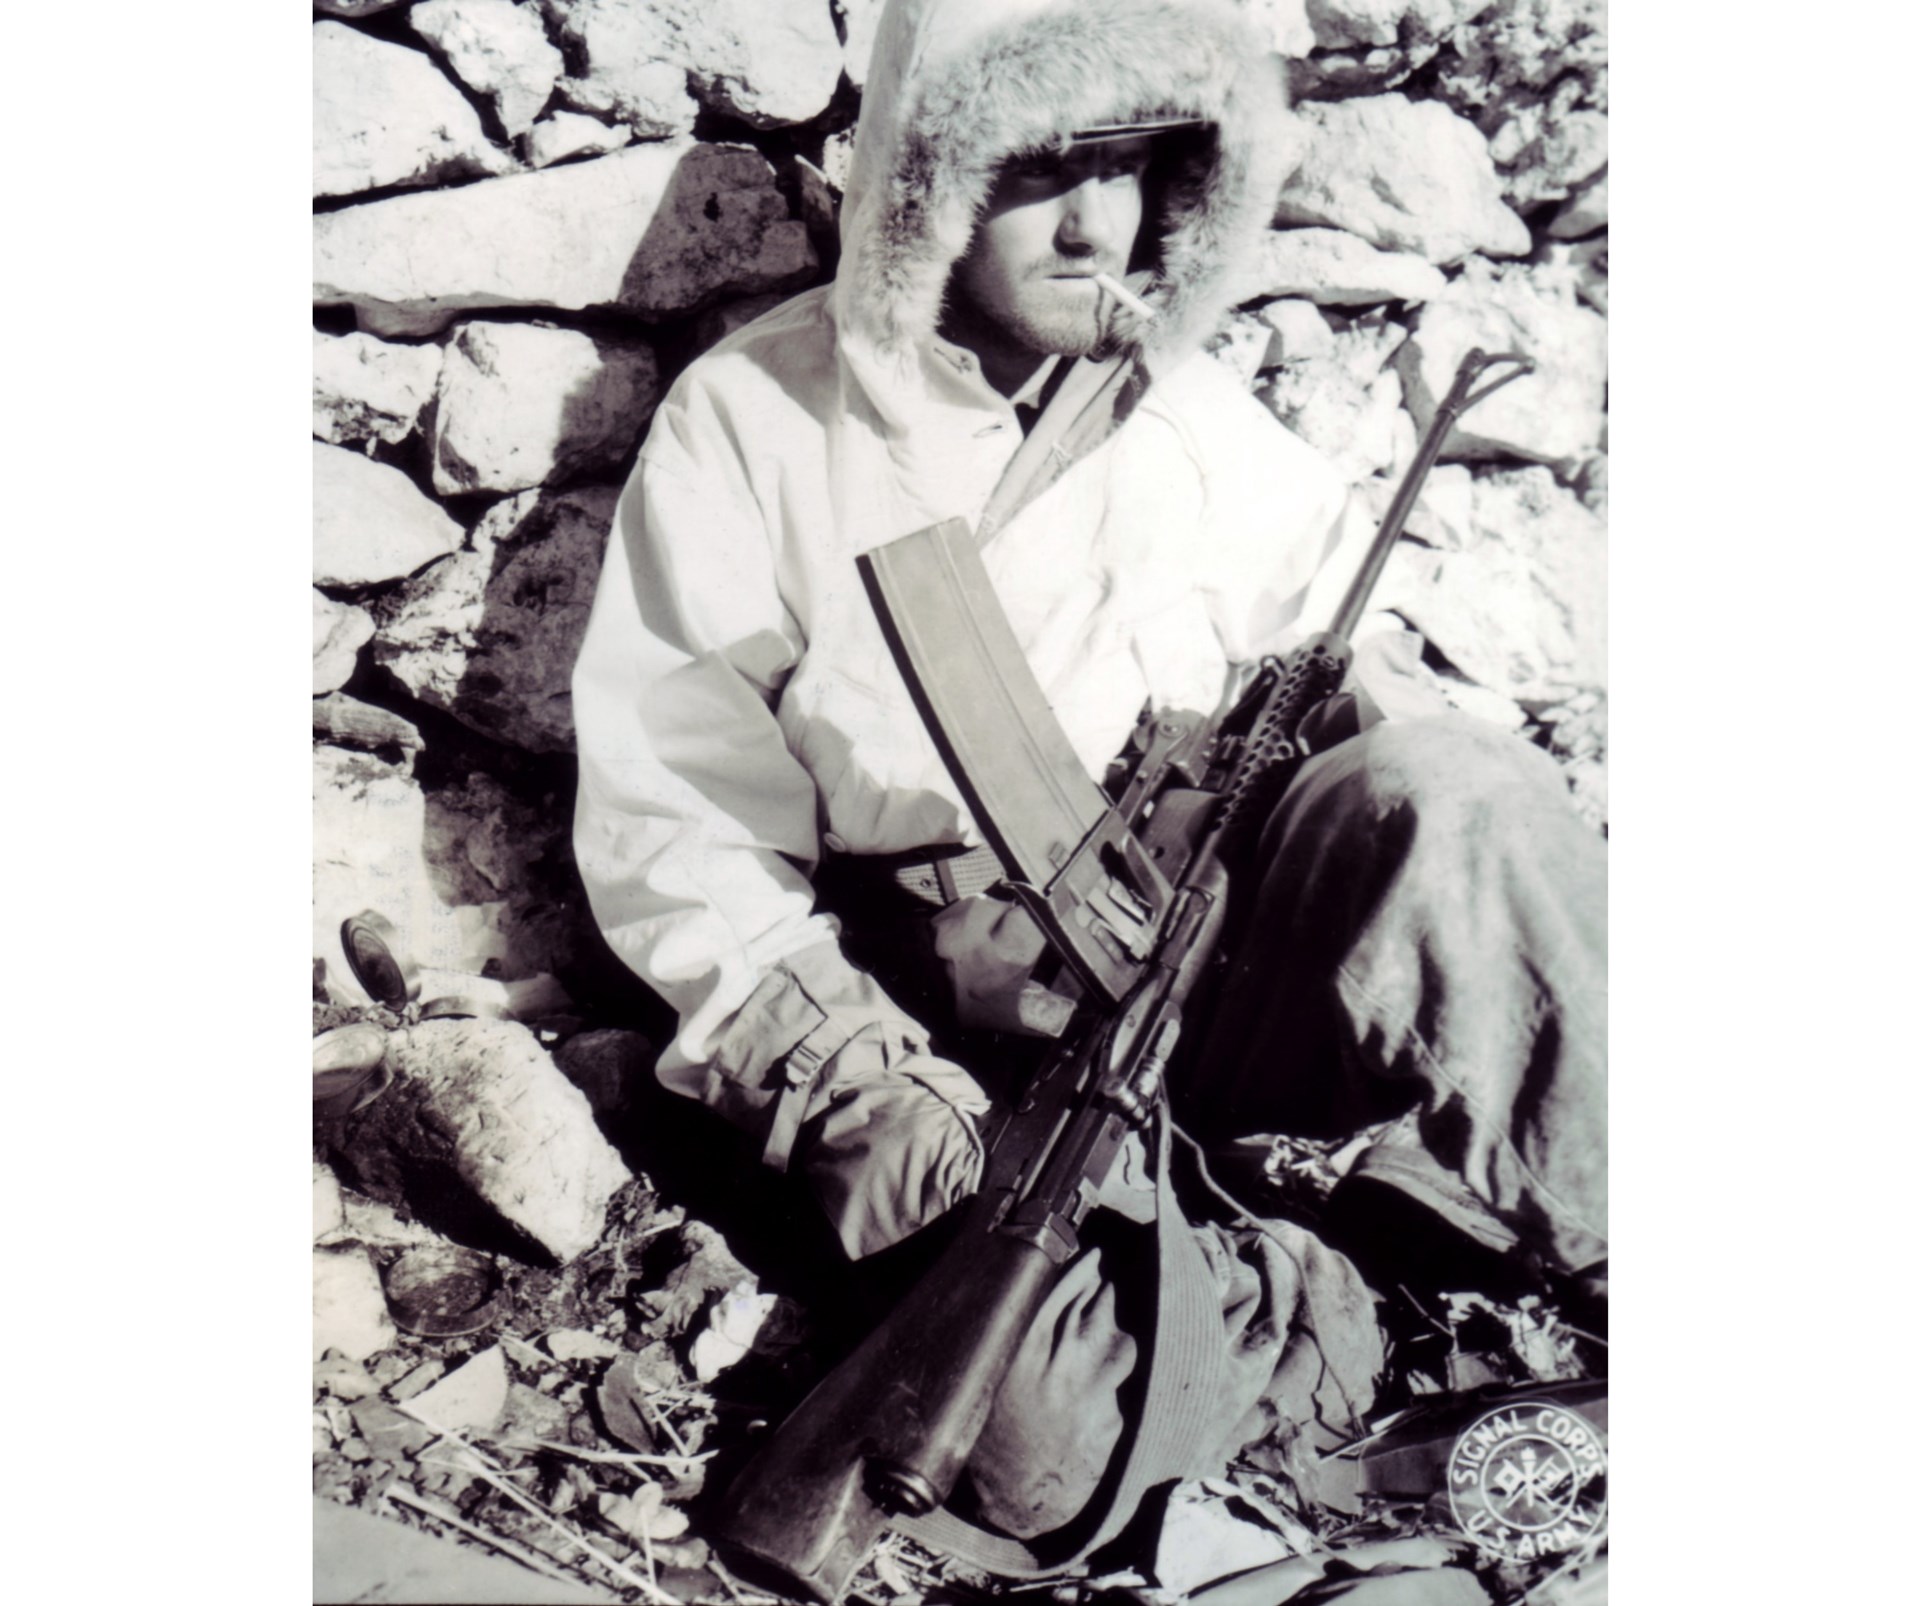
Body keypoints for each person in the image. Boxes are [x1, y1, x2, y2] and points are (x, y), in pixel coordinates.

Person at [571, 0, 1605, 1550]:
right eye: (1048, 168)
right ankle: (1337, 1289)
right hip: (947, 1053)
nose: (1101, 225)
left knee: (1462, 791)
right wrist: (852, 1076)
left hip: (1202, 970)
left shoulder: (1198, 425)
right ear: (931, 178)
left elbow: (1364, 723)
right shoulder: (760, 422)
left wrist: (1347, 790)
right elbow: (683, 820)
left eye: (1139, 166)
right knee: (1026, 1433)